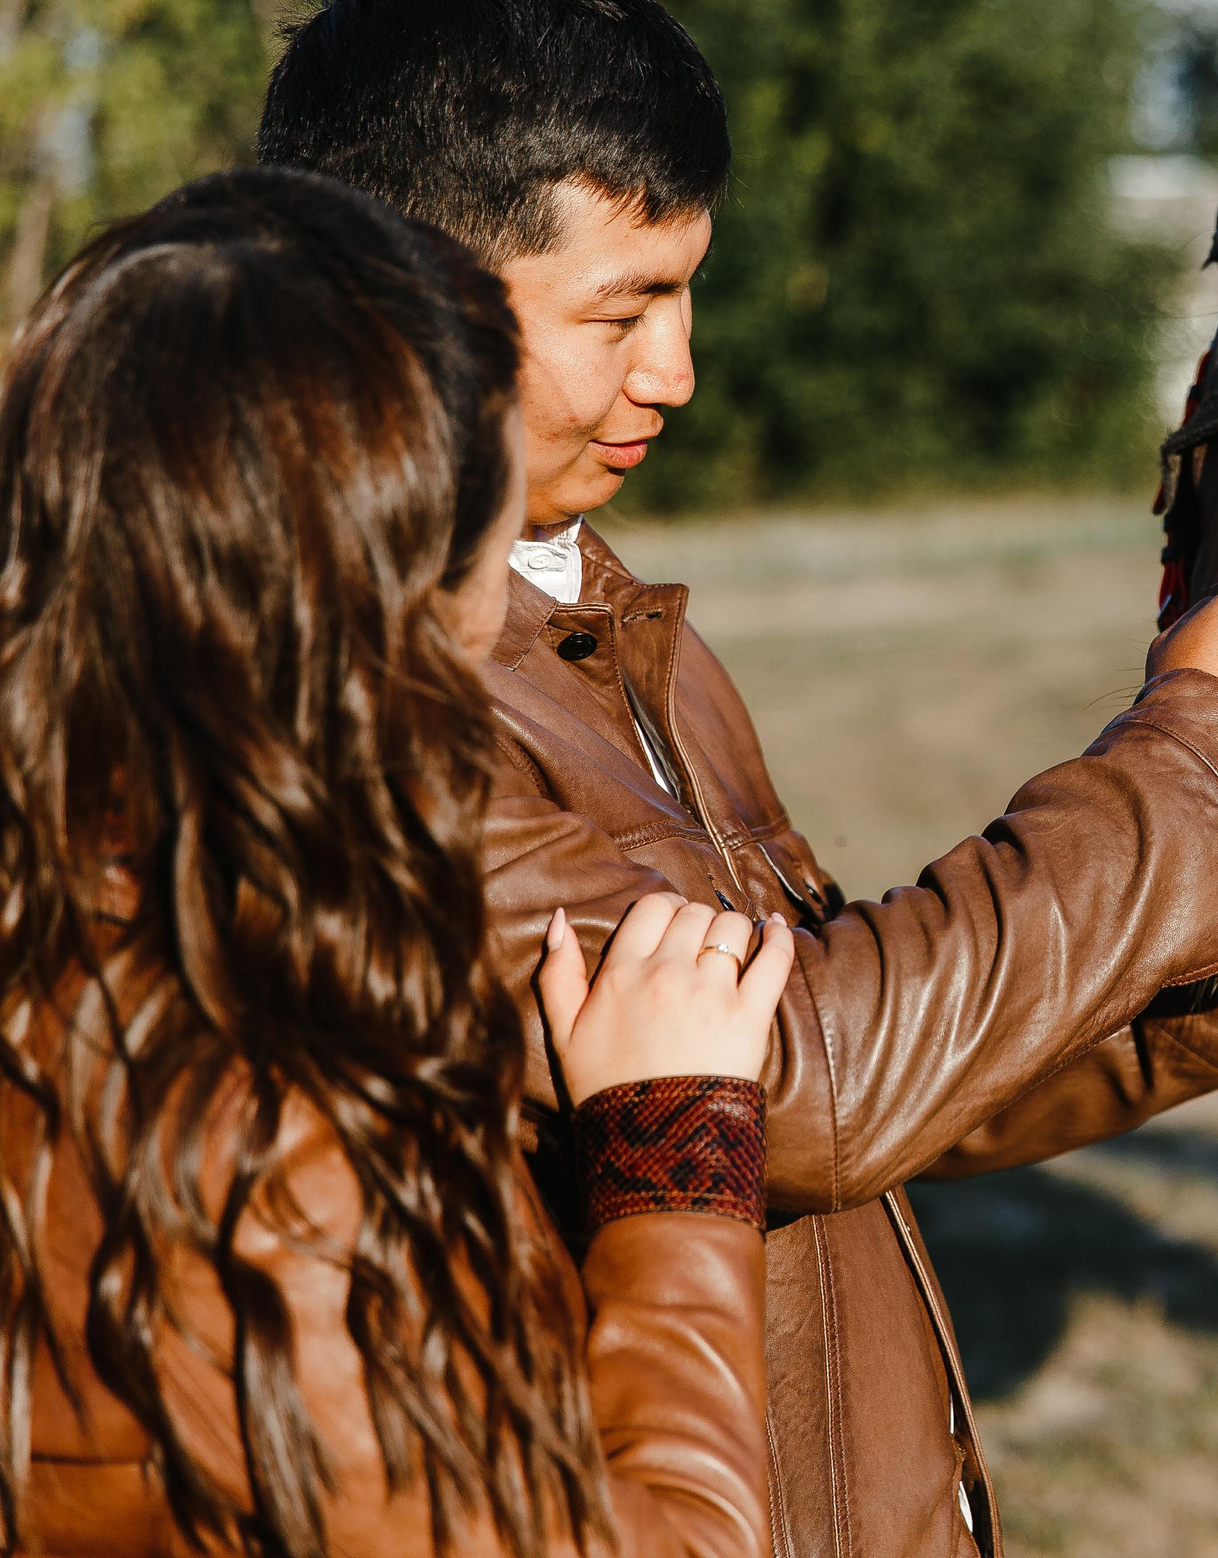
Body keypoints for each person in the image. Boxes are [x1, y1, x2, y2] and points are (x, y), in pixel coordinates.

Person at [255, 0, 1218, 1557]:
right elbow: (781, 1098)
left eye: (691, 294)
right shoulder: (347, 682)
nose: (681, 372)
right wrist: (1207, 758)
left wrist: (1197, 985)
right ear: (407, 303)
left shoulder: (604, 609)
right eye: (624, 308)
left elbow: (877, 1062)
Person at [0, 168, 793, 1554]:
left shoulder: (69, 917)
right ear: (390, 600)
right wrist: (678, 1158)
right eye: (494, 542)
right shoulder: (260, 1141)